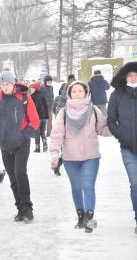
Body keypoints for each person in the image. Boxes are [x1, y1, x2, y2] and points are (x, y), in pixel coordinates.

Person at [49, 81, 111, 233]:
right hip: (70, 157)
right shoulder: (63, 113)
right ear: (69, 94)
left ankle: (90, 218)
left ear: (86, 93)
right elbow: (57, 134)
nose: (77, 93)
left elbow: (103, 129)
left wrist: (117, 125)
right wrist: (54, 153)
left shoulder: (94, 110)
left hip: (91, 156)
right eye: (74, 91)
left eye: (80, 91)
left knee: (88, 186)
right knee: (76, 187)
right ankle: (81, 216)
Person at [0, 70, 40, 223]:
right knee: (12, 178)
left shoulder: (24, 98)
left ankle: (28, 208)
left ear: (13, 83)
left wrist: (25, 135)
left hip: (22, 143)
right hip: (5, 144)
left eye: (7, 84)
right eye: (2, 85)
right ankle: (20, 209)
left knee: (20, 172)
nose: (5, 87)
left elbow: (35, 121)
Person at [107, 62, 137, 234]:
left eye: (136, 75)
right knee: (135, 183)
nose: (133, 77)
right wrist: (121, 135)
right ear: (125, 78)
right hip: (128, 148)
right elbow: (111, 120)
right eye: (130, 75)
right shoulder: (117, 95)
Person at [29, 83, 49, 152]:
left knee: (36, 133)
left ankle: (37, 147)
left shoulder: (32, 97)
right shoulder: (42, 95)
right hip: (44, 117)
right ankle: (45, 143)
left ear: (36, 89)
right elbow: (46, 106)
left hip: (37, 118)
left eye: (32, 89)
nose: (31, 90)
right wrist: (47, 116)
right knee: (42, 132)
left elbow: (33, 108)